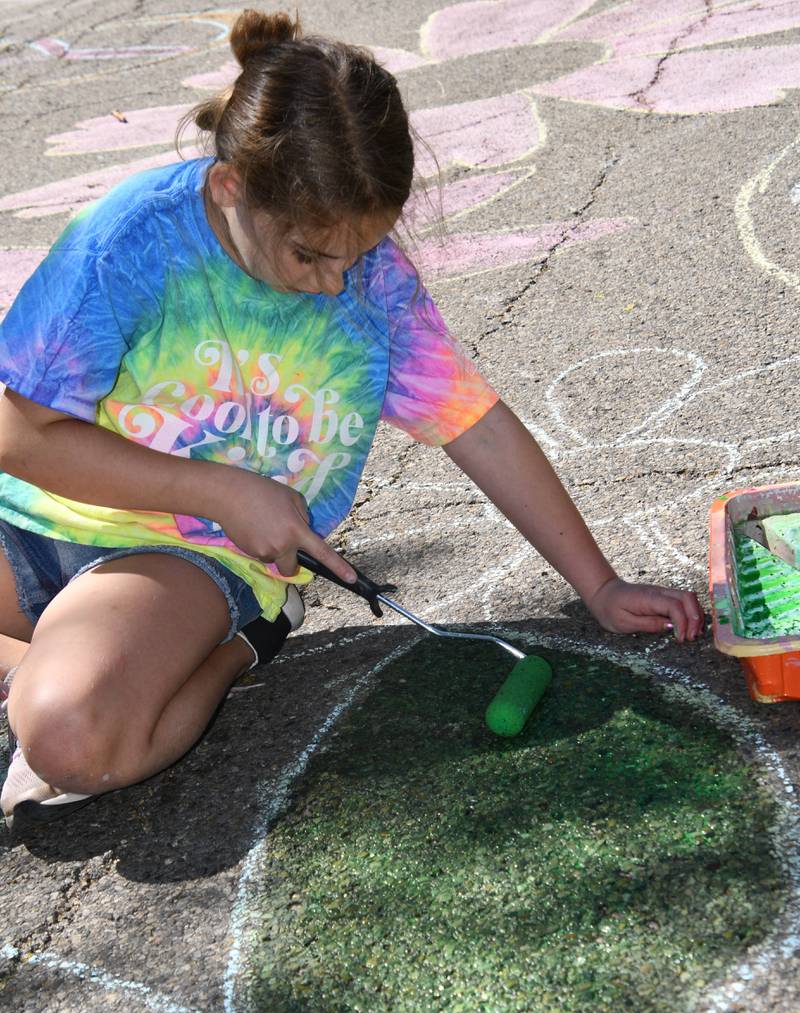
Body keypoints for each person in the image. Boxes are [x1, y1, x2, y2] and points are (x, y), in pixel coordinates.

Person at [0, 10, 702, 829]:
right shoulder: (132, 241)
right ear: (231, 189)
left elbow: (475, 424)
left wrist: (600, 583)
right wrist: (222, 484)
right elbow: (19, 434)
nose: (338, 284)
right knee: (57, 694)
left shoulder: (375, 287)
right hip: (36, 519)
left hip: (185, 552)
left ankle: (243, 638)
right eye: (310, 255)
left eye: (359, 253)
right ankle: (40, 662)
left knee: (72, 737)